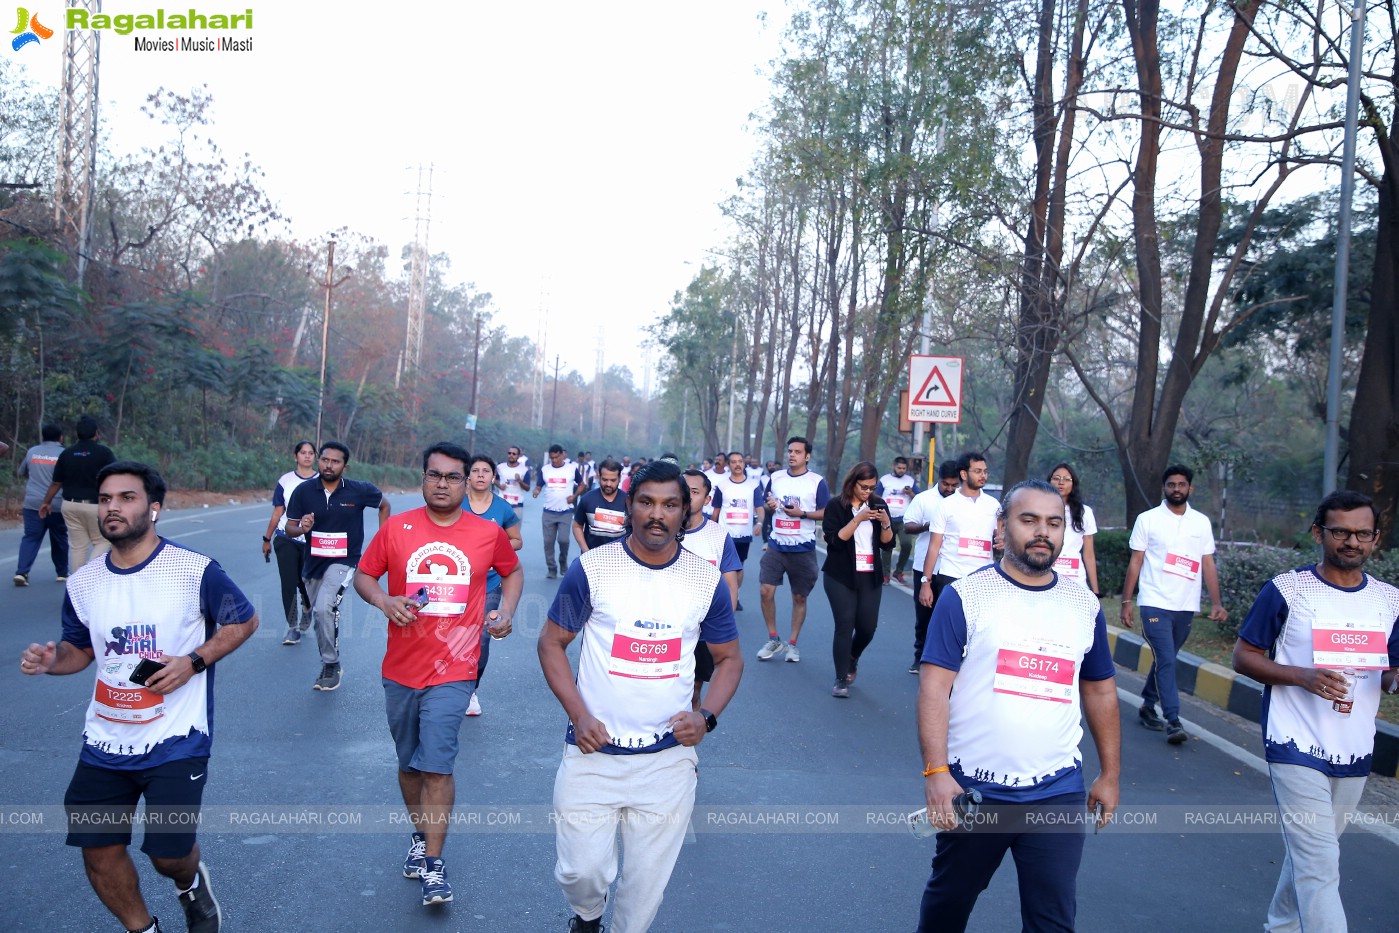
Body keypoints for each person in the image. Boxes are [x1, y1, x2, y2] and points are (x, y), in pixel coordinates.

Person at [20, 461, 259, 933]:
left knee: (169, 857)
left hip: (176, 738)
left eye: (126, 498)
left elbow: (243, 621)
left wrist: (193, 662)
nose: (112, 507)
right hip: (105, 740)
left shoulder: (194, 571)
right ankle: (143, 929)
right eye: (106, 499)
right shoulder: (86, 581)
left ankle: (190, 886)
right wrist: (53, 661)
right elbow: (81, 649)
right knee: (100, 851)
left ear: (154, 508)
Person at [538, 459, 743, 933]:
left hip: (667, 760)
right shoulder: (592, 569)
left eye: (670, 504)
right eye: (647, 502)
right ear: (629, 506)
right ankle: (587, 918)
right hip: (593, 751)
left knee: (645, 885)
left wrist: (706, 716)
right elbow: (551, 642)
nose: (658, 514)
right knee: (581, 871)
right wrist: (579, 716)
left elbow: (729, 659)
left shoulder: (704, 581)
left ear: (686, 511)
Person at [916, 480, 1120, 932]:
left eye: (1054, 522)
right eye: (1029, 520)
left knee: (1053, 922)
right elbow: (934, 688)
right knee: (949, 905)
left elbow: (1100, 690)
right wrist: (936, 773)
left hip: (1056, 791)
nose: (1042, 532)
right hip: (976, 789)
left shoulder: (1083, 604)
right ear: (1003, 525)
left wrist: (1110, 774)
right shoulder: (966, 597)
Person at [354, 442, 522, 909]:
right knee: (409, 764)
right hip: (401, 669)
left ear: (467, 480)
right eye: (435, 475)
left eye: (452, 477)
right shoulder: (396, 528)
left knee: (437, 763)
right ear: (423, 478)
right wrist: (385, 602)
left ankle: (434, 863)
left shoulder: (487, 532)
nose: (442, 484)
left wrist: (505, 611)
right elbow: (364, 576)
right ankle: (419, 833)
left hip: (456, 667)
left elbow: (512, 574)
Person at [1231, 490, 1399, 933]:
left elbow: (1389, 670)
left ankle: (1281, 926)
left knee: (1312, 854)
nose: (1351, 541)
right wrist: (1301, 676)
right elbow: (1244, 656)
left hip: (1355, 747)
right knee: (1321, 861)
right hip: (1295, 743)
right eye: (1340, 531)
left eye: (1362, 533)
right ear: (1318, 533)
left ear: (1375, 539)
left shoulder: (1390, 601)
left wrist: (1395, 679)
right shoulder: (1287, 590)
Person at [1120, 464, 1227, 744]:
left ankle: (1147, 704)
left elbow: (1207, 563)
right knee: (1166, 658)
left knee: (1166, 659)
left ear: (1190, 489)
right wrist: (1127, 600)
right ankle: (1173, 720)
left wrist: (1216, 602)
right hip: (1155, 602)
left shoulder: (1201, 522)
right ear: (1164, 488)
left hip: (1186, 605)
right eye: (1171, 485)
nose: (1176, 489)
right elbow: (1136, 561)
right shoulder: (1148, 519)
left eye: (1181, 484)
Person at [284, 441, 391, 692]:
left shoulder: (359, 490)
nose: (328, 465)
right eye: (325, 460)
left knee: (324, 608)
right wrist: (302, 528)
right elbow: (290, 527)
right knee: (320, 611)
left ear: (345, 465)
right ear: (319, 460)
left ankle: (330, 664)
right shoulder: (304, 491)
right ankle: (328, 658)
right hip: (313, 563)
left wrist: (383, 536)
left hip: (345, 560)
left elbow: (384, 504)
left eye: (335, 461)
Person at [822, 461, 894, 698]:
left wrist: (885, 523)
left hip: (869, 574)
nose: (868, 492)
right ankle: (840, 679)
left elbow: (887, 543)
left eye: (872, 487)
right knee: (845, 624)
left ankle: (853, 656)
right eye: (864, 486)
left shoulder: (879, 504)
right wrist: (859, 518)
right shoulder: (836, 506)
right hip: (840, 574)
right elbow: (835, 540)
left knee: (867, 627)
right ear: (852, 483)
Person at [757, 437, 830, 663]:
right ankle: (773, 638)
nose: (792, 455)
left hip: (803, 547)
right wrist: (769, 508)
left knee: (799, 597)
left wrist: (803, 514)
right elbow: (767, 504)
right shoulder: (775, 478)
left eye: (797, 452)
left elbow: (826, 512)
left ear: (807, 456)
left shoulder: (817, 482)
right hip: (777, 544)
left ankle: (792, 644)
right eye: (790, 451)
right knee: (765, 591)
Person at [463, 454, 523, 717]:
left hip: (489, 583)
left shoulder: (502, 508)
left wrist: (492, 552)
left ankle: (470, 691)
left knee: (482, 639)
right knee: (448, 636)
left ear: (493, 478)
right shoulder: (456, 504)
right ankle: (445, 686)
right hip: (455, 584)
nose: (479, 475)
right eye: (474, 471)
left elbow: (516, 541)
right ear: (467, 476)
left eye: (485, 471)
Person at [683, 468, 743, 713]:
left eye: (694, 492)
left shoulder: (718, 535)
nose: (687, 496)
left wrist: (721, 625)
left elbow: (730, 584)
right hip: (668, 627)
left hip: (703, 630)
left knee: (695, 688)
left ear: (707, 500)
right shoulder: (662, 531)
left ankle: (687, 737)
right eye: (683, 490)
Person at [917, 451, 999, 625]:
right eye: (977, 471)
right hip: (951, 576)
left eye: (985, 471)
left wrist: (1003, 541)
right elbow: (934, 547)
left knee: (977, 631)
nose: (983, 475)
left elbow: (1001, 538)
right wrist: (926, 583)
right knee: (951, 628)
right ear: (963, 474)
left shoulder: (994, 505)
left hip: (984, 579)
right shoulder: (946, 505)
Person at [901, 460, 961, 673]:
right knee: (924, 615)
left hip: (953, 568)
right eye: (946, 484)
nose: (950, 489)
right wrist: (931, 525)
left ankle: (945, 661)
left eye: (955, 485)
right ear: (939, 480)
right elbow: (908, 526)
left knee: (949, 616)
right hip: (924, 567)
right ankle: (920, 657)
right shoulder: (923, 499)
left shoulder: (963, 503)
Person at [39, 415, 116, 573]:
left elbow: (56, 483)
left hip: (69, 505)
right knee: (102, 541)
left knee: (77, 547)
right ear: (96, 433)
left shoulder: (66, 453)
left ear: (77, 434)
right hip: (96, 505)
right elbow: (115, 478)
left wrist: (46, 502)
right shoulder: (104, 453)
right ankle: (88, 576)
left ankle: (76, 586)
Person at [260, 440, 318, 645]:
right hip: (286, 539)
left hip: (312, 541)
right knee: (288, 583)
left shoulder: (322, 480)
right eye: (303, 452)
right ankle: (292, 627)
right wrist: (267, 538)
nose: (307, 456)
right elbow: (278, 512)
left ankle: (307, 609)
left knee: (307, 582)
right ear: (296, 456)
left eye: (311, 453)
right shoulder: (285, 481)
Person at [16, 423, 69, 586]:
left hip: (32, 503)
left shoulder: (32, 452)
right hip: (56, 504)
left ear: (43, 437)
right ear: (60, 438)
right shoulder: (64, 454)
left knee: (31, 537)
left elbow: (21, 472)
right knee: (59, 537)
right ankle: (61, 573)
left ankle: (22, 573)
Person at [710, 450, 765, 607]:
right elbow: (716, 511)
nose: (737, 464)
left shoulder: (753, 486)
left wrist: (759, 524)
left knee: (739, 568)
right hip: (724, 534)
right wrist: (711, 530)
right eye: (733, 462)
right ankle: (723, 597)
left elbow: (760, 508)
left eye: (740, 461)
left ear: (744, 464)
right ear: (729, 465)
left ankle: (735, 594)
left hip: (744, 535)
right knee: (722, 567)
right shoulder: (722, 486)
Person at [1047, 462, 1100, 594]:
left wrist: (1095, 590)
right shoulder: (1039, 509)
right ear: (1049, 481)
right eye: (1056, 478)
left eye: (1066, 479)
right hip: (1046, 575)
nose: (1061, 482)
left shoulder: (1085, 512)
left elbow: (1088, 554)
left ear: (1073, 483)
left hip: (1075, 578)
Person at [534, 444, 575, 579]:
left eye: (557, 457)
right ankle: (552, 568)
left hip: (565, 512)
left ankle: (563, 561)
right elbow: (539, 485)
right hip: (549, 512)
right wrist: (536, 491)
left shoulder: (571, 469)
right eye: (552, 458)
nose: (554, 460)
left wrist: (574, 496)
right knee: (548, 542)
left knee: (564, 540)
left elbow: (582, 484)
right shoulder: (545, 470)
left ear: (562, 455)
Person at [876, 456, 918, 585]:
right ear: (893, 467)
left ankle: (898, 571)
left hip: (904, 519)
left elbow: (918, 499)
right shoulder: (884, 480)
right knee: (887, 547)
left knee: (907, 545)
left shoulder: (910, 481)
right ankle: (885, 575)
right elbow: (877, 496)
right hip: (887, 518)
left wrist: (910, 493)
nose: (901, 470)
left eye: (904, 468)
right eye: (899, 468)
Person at [573, 459, 629, 553]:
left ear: (619, 478)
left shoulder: (629, 502)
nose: (608, 484)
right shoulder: (587, 499)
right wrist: (586, 550)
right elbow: (577, 526)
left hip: (620, 560)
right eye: (605, 479)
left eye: (613, 480)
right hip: (592, 557)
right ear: (599, 477)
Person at [496, 445, 530, 525]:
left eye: (514, 454)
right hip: (502, 503)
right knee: (499, 531)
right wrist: (499, 485)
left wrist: (520, 481)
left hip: (517, 504)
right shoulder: (500, 467)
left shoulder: (524, 470)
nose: (511, 455)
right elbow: (493, 479)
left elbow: (528, 488)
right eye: (509, 453)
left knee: (514, 534)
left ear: (518, 456)